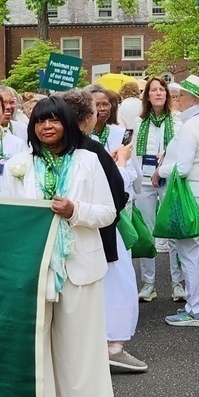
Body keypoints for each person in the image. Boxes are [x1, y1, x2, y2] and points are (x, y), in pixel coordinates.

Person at [1, 96, 117, 397]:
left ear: (66, 123)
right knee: (35, 334)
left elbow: (108, 213)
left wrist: (74, 211)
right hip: (36, 262)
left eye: (53, 120)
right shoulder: (17, 164)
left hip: (79, 260)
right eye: (39, 121)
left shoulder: (88, 161)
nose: (46, 127)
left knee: (74, 336)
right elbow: (9, 216)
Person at [62, 90, 144, 373]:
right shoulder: (90, 148)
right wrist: (120, 162)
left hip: (69, 229)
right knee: (117, 284)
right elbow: (115, 197)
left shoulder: (68, 147)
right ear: (88, 117)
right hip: (99, 229)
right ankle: (113, 347)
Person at [161, 75, 199, 326]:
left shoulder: (191, 126)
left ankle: (195, 309)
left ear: (194, 99)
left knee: (189, 254)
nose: (177, 100)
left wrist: (160, 171)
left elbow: (183, 168)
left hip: (191, 195)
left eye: (182, 96)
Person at [132, 76, 184, 302]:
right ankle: (148, 283)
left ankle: (177, 283)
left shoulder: (177, 120)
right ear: (148, 95)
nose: (158, 93)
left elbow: (182, 148)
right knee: (148, 232)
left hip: (169, 180)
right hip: (144, 182)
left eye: (161, 89)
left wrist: (167, 160)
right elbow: (133, 152)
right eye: (153, 90)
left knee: (172, 232)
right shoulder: (139, 121)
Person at [86, 85, 125, 151]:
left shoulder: (121, 133)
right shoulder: (81, 135)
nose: (102, 108)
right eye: (97, 105)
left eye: (105, 104)